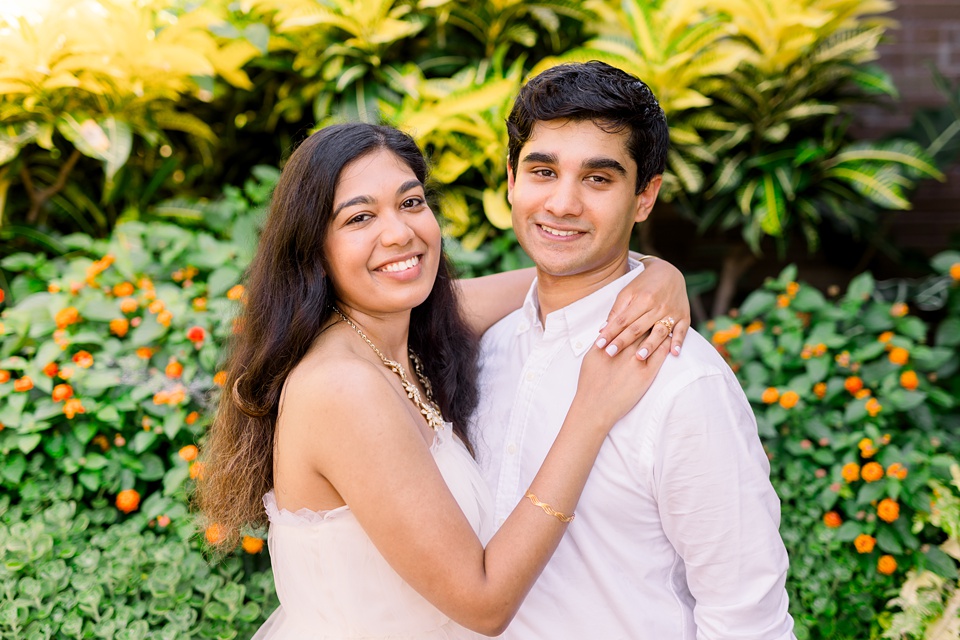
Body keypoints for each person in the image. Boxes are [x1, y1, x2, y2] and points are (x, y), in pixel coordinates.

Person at [195, 122, 691, 638]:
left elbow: (563, 277)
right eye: (360, 217)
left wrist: (656, 274)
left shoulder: (402, 329)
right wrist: (591, 412)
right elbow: (483, 604)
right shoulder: (342, 387)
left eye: (410, 203)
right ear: (313, 247)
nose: (399, 233)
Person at [472, 61, 796, 639]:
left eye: (598, 179)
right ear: (510, 181)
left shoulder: (683, 384)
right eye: (542, 170)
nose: (563, 203)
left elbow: (748, 617)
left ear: (645, 197)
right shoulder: (488, 351)